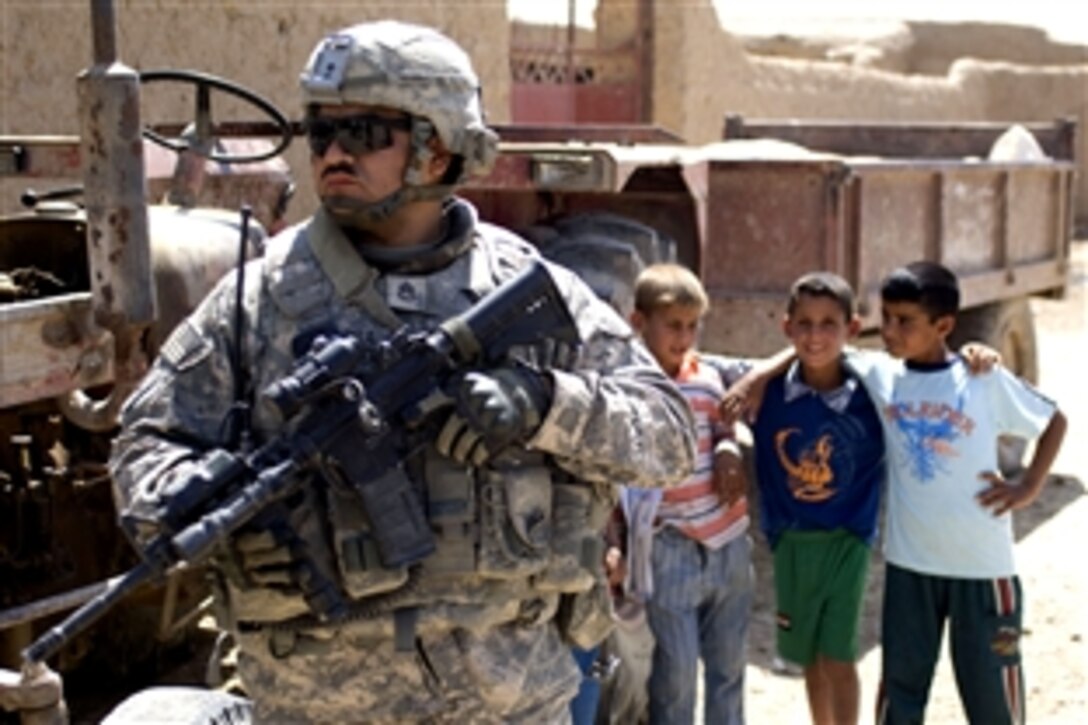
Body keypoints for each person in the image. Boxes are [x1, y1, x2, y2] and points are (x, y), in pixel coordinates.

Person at [108, 20, 697, 723]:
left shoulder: (527, 286)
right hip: (316, 709)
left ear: (438, 145)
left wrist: (542, 404)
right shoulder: (261, 298)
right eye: (319, 131)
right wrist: (205, 497)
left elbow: (670, 436)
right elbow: (144, 446)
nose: (332, 152)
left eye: (364, 132)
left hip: (508, 707)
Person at [859, 262, 1067, 725]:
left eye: (904, 320)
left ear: (944, 326)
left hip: (982, 569)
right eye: (886, 316)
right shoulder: (882, 375)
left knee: (993, 698)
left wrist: (1029, 484)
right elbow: (817, 351)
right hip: (910, 566)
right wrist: (754, 381)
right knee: (900, 693)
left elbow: (1053, 420)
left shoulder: (981, 378)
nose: (890, 329)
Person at [748, 272, 886, 725]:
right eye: (804, 324)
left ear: (853, 327)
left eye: (830, 323)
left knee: (839, 657)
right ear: (786, 328)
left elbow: (930, 370)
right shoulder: (766, 394)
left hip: (849, 538)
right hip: (791, 539)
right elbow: (706, 387)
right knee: (809, 656)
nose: (815, 335)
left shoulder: (875, 392)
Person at [627, 263, 753, 725]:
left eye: (692, 326)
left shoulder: (708, 375)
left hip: (728, 545)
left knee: (728, 671)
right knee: (675, 678)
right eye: (673, 326)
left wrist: (728, 444)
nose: (683, 338)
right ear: (638, 322)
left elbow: (726, 422)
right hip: (669, 547)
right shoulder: (629, 386)